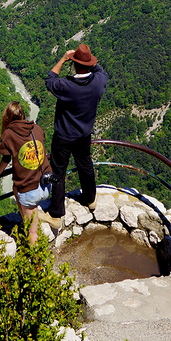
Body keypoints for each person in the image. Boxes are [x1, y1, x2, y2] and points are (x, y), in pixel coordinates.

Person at [37, 44, 107, 230]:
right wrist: (86, 58)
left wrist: (64, 58)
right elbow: (99, 69)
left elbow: (49, 79)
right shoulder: (99, 82)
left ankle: (56, 214)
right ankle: (90, 199)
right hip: (84, 134)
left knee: (58, 172)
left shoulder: (66, 86)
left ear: (75, 65)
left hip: (64, 136)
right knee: (85, 164)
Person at [0, 101, 52, 244]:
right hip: (46, 184)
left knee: (33, 232)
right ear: (23, 114)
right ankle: (26, 218)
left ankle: (36, 264)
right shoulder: (36, 127)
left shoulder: (9, 135)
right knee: (15, 189)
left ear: (7, 118)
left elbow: (5, 158)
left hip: (29, 191)